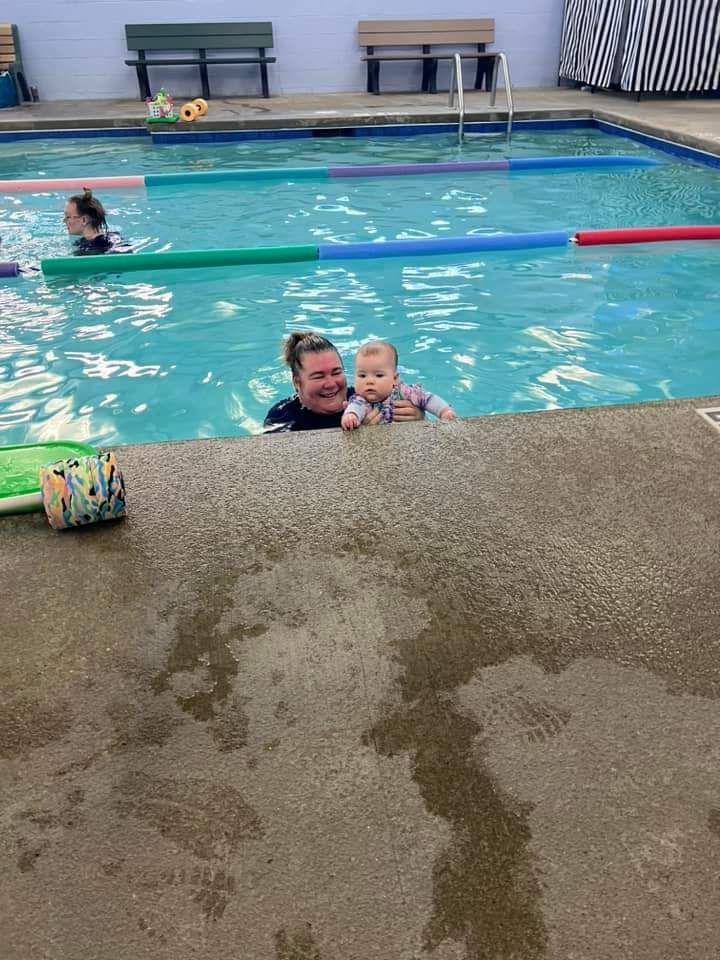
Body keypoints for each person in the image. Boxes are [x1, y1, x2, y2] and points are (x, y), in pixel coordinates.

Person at [263, 331, 424, 433]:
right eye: (318, 376)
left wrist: (417, 421)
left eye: (336, 372)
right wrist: (361, 438)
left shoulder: (367, 397)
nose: (331, 384)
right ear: (297, 382)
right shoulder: (282, 417)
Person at [341, 340, 455, 431]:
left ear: (394, 379)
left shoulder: (404, 392)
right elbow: (355, 408)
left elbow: (427, 398)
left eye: (379, 375)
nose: (369, 381)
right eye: (362, 376)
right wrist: (350, 416)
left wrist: (444, 411)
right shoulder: (360, 400)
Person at [63, 188, 125, 256]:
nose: (64, 221)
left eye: (68, 217)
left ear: (84, 220)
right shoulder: (81, 242)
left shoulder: (105, 243)